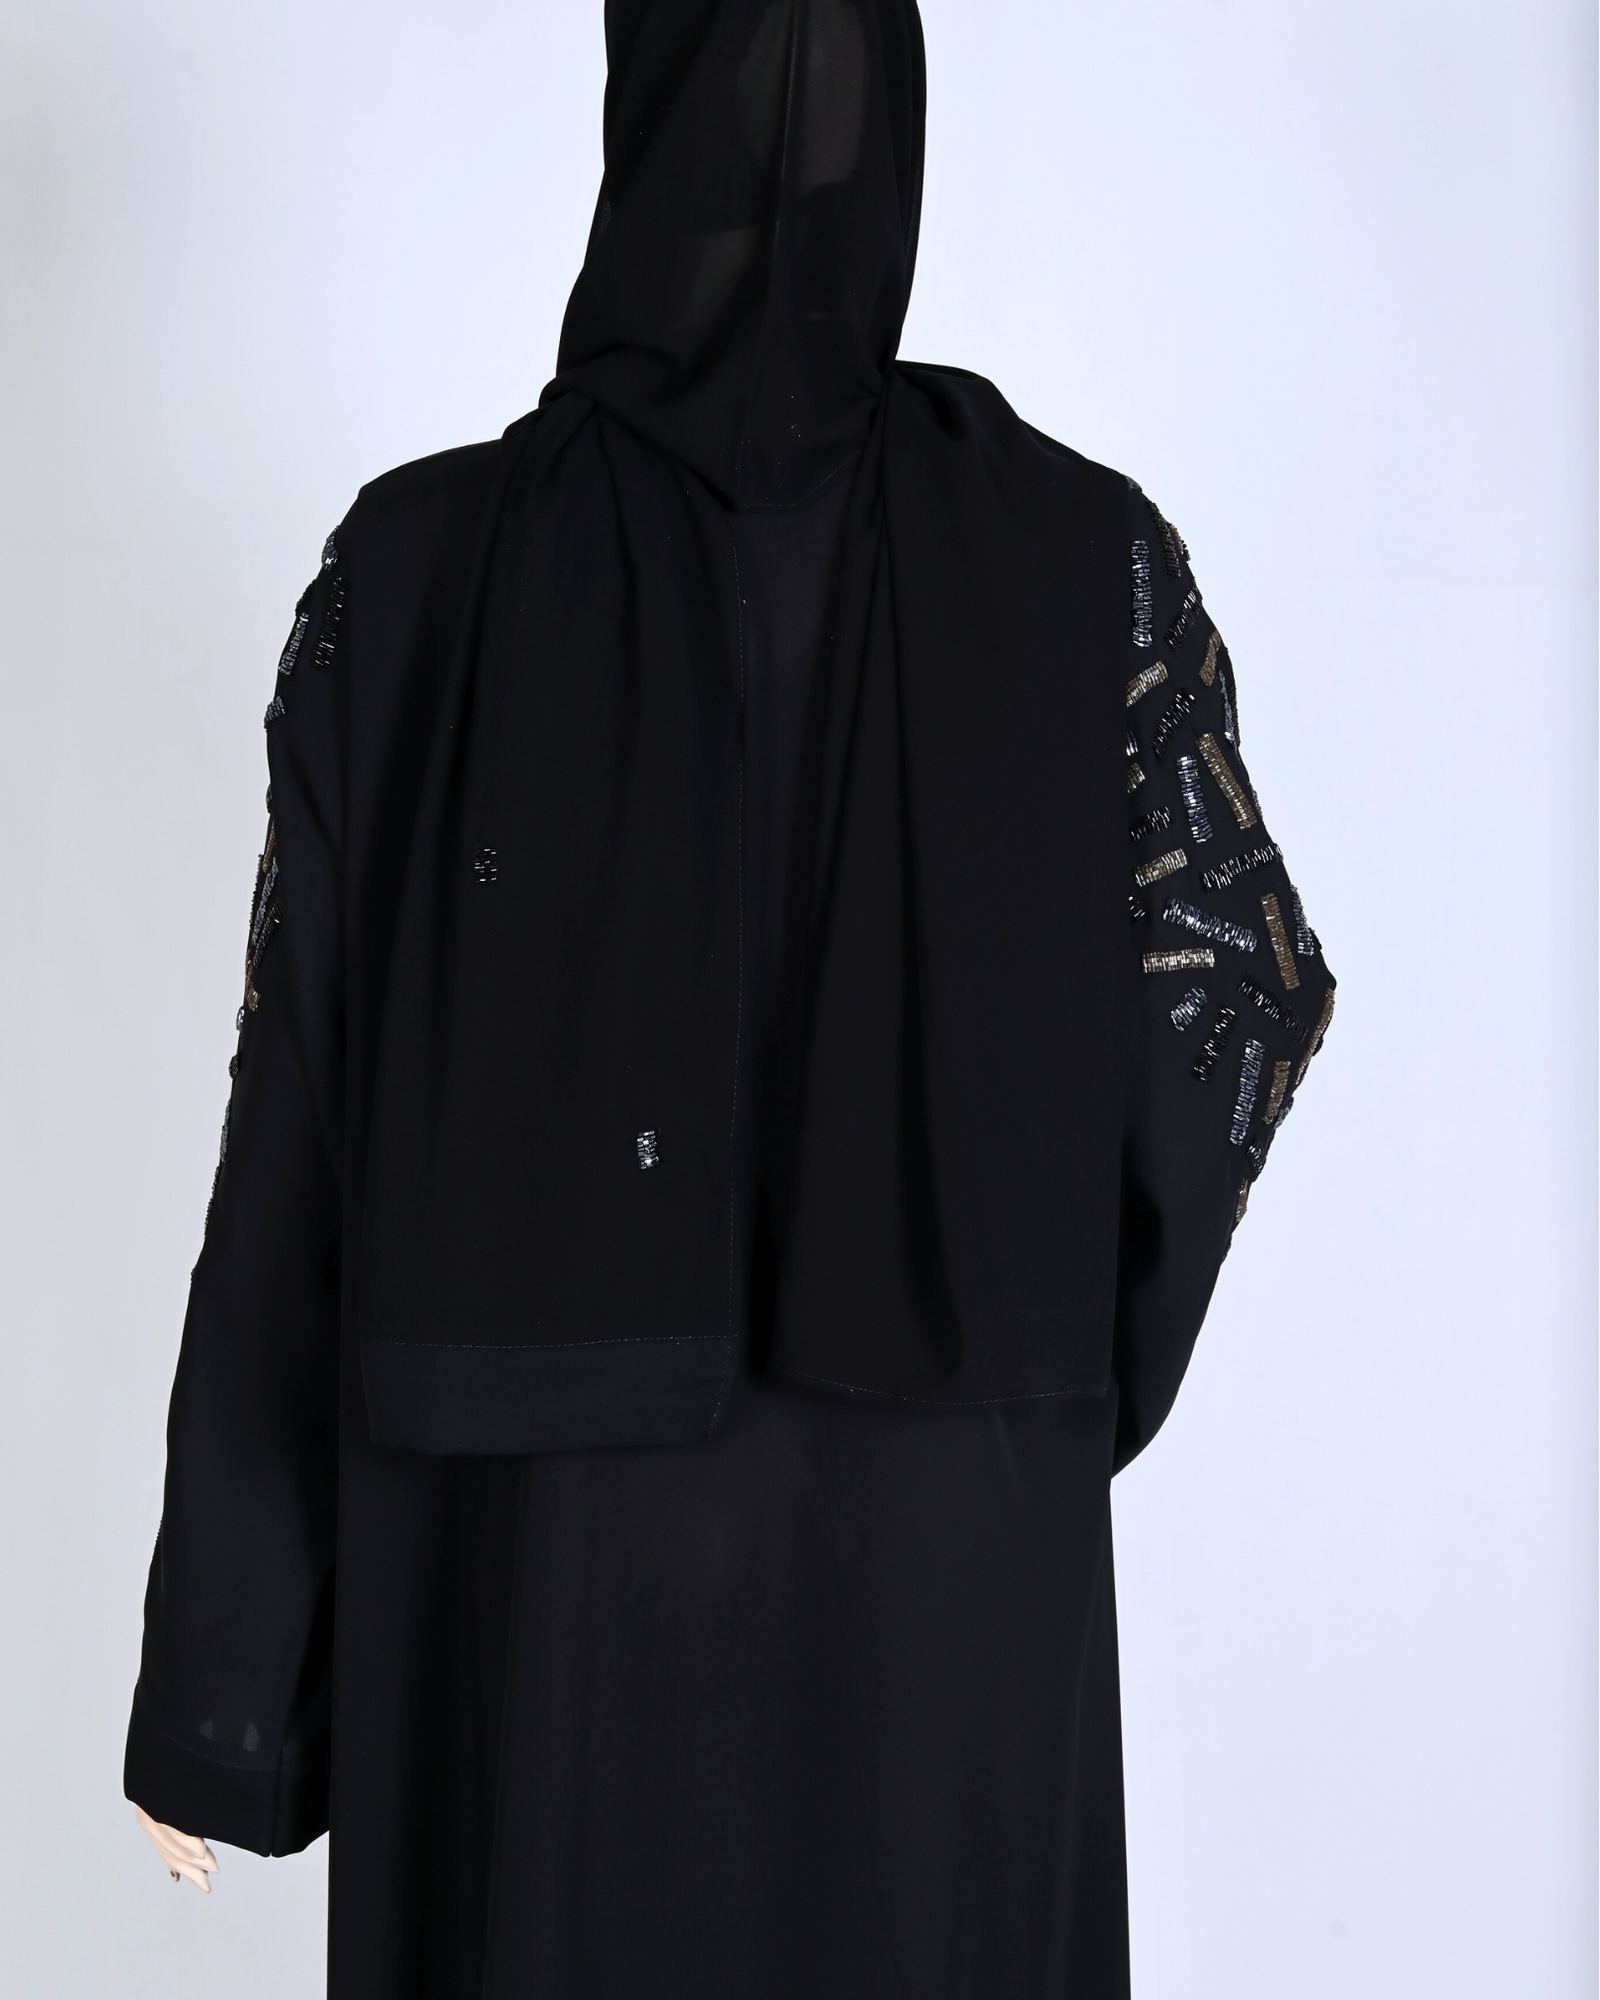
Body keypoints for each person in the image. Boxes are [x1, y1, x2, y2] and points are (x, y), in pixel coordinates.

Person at [125, 1, 1335, 1992]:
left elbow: (299, 1143)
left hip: (536, 1588)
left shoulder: (416, 575)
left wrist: (229, 1689)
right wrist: (1036, 1347)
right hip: (950, 1566)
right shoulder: (1080, 560)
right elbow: (1234, 999)